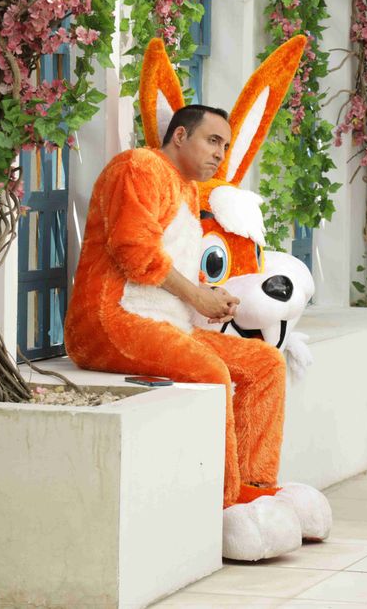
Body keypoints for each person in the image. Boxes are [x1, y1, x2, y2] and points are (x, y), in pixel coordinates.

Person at [64, 104, 288, 510]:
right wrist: (198, 297)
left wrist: (210, 295)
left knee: (265, 364)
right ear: (181, 136)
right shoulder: (138, 166)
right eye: (213, 140)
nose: (220, 153)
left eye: (226, 146)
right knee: (211, 371)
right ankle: (225, 500)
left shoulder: (186, 188)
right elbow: (135, 253)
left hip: (166, 324)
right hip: (114, 320)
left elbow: (173, 264)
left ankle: (255, 487)